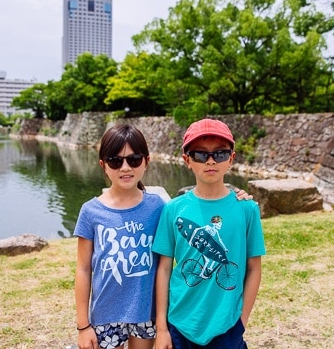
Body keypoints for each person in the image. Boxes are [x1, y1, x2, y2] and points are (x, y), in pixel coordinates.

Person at [74, 123, 253, 349]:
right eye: (115, 161)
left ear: (147, 162)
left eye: (134, 159)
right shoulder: (91, 212)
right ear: (103, 165)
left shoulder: (159, 207)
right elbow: (83, 268)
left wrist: (239, 197)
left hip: (146, 311)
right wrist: (83, 325)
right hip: (105, 312)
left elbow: (200, 206)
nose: (125, 167)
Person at [152, 118, 266, 349]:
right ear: (187, 160)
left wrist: (241, 321)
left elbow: (254, 268)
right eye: (201, 155)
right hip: (180, 322)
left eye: (220, 154)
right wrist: (162, 328)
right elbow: (164, 269)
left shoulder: (247, 209)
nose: (211, 161)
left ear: (231, 159)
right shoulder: (173, 209)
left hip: (227, 325)